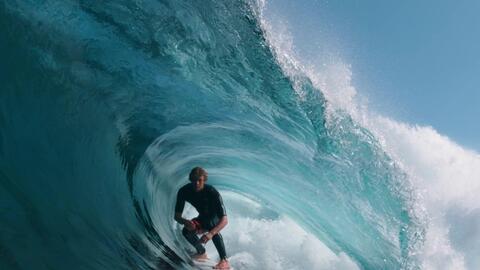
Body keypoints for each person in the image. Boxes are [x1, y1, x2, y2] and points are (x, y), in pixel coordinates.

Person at [174, 167, 230, 270]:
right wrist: (186, 222)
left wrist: (210, 234)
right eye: (194, 180)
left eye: (199, 180)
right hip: (203, 218)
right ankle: (201, 252)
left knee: (211, 224)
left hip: (215, 219)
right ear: (191, 180)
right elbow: (177, 216)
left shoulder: (211, 191)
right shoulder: (183, 191)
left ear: (204, 180)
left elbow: (225, 220)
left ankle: (224, 261)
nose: (197, 183)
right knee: (186, 230)